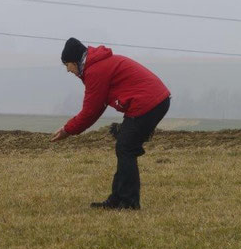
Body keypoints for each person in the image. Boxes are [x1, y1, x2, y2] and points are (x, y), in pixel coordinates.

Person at [50, 38, 170, 210]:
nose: (68, 70)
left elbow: (90, 111)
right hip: (154, 100)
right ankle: (118, 199)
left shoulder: (96, 70)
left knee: (125, 147)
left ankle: (128, 203)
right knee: (125, 146)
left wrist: (67, 130)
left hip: (148, 103)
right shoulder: (97, 65)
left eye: (67, 64)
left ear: (75, 61)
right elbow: (98, 107)